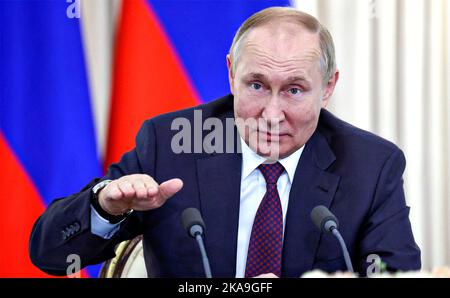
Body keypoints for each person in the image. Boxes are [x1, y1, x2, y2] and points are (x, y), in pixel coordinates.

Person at [29, 7, 421, 278]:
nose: (271, 113)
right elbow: (50, 255)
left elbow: (395, 271)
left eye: (295, 90)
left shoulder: (371, 165)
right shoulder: (171, 145)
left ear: (328, 87)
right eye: (256, 85)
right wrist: (104, 207)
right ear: (232, 73)